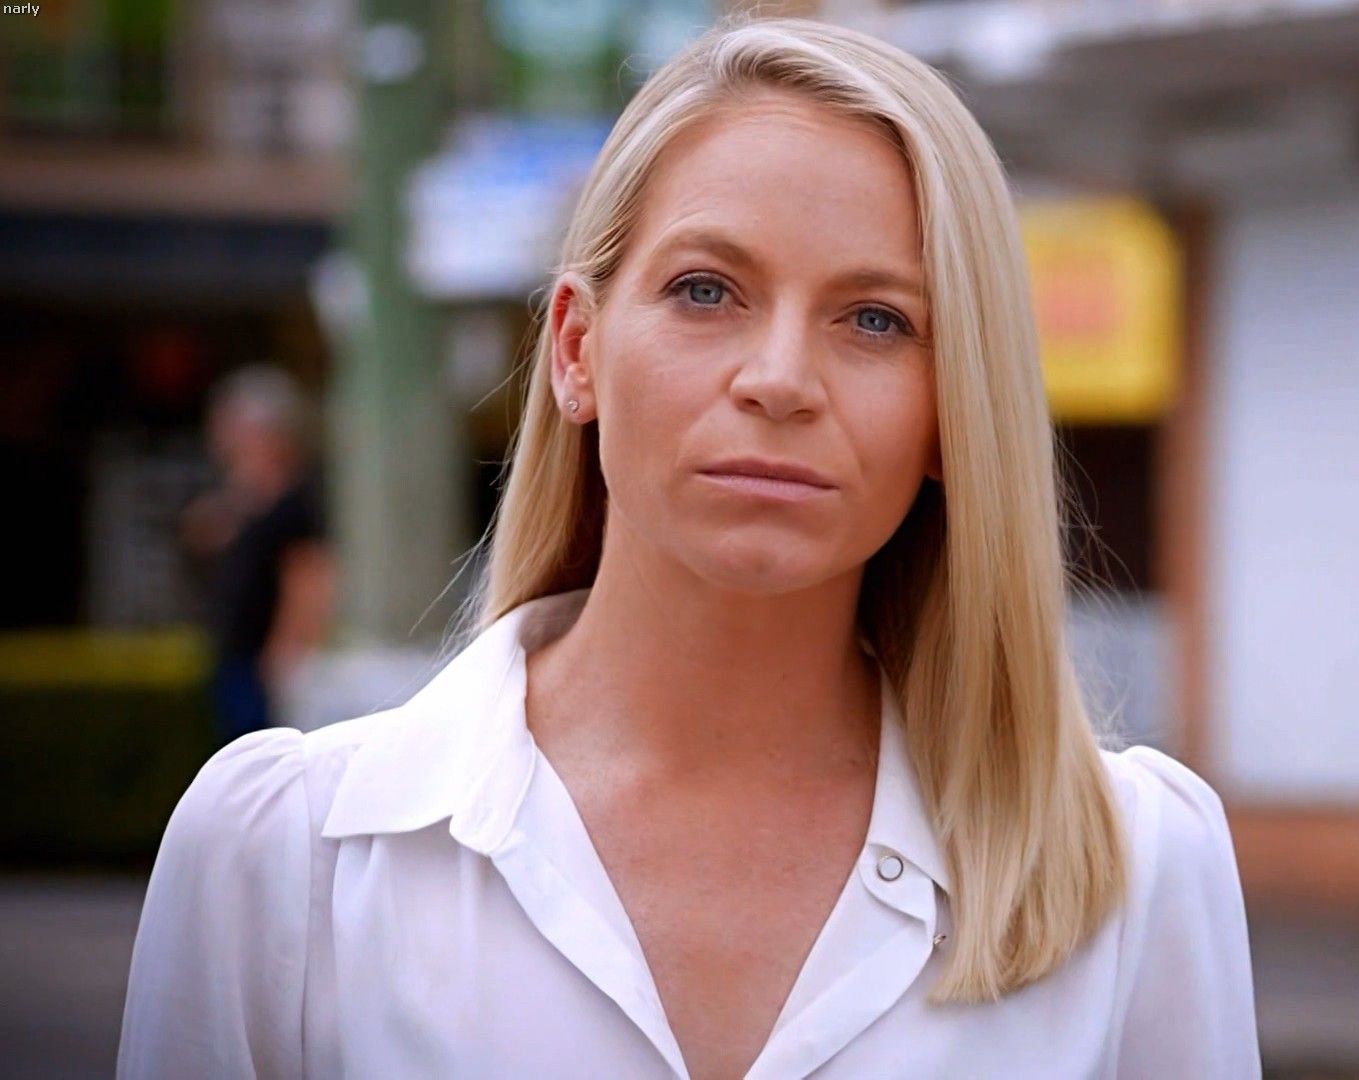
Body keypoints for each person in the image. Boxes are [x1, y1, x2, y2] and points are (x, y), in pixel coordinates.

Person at [118, 15, 1259, 1079]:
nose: (779, 379)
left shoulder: (1133, 867)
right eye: (706, 290)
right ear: (576, 351)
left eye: (876, 319)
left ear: (954, 408)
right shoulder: (288, 858)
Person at [177, 364, 334, 745]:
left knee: (259, 750)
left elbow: (309, 579)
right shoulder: (244, 500)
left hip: (264, 661)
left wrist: (287, 648)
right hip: (234, 653)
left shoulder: (296, 504)